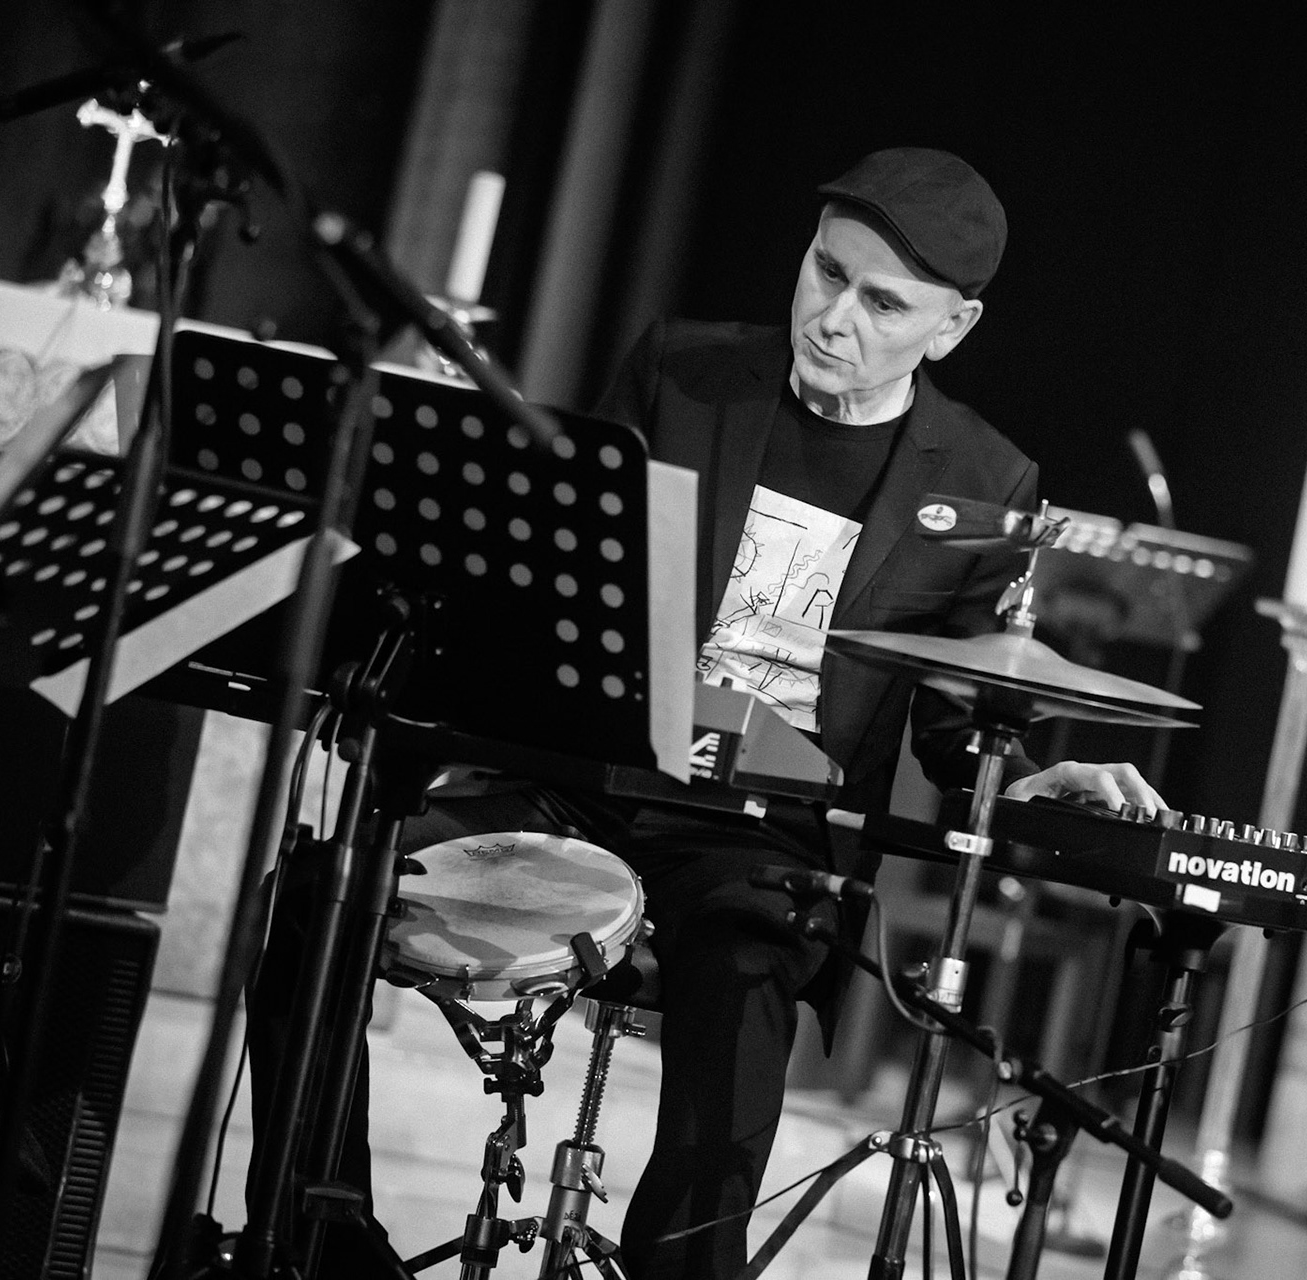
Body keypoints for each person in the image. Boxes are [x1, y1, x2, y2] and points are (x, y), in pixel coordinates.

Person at [249, 147, 1164, 1279]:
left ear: (954, 325)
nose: (834, 317)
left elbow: (953, 718)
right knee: (313, 901)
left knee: (740, 988)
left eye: (883, 304)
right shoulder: (683, 371)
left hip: (758, 836)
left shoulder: (986, 476)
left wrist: (1017, 779)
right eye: (826, 271)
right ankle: (323, 1234)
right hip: (582, 773)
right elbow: (557, 577)